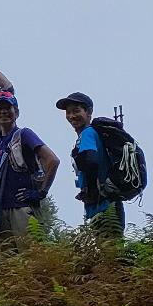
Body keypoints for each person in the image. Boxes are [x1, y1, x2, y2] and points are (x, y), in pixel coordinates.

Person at [0, 91, 61, 247]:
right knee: (11, 264)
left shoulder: (24, 134)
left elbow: (52, 160)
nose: (4, 112)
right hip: (2, 211)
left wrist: (41, 192)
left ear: (17, 112)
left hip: (23, 208)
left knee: (32, 257)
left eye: (8, 108)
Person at [56, 91, 127, 240]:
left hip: (103, 205)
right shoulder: (94, 134)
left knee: (110, 255)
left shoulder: (88, 133)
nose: (71, 116)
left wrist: (92, 192)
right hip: (110, 203)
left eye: (76, 111)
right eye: (68, 112)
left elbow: (91, 160)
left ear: (89, 112)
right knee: (112, 252)